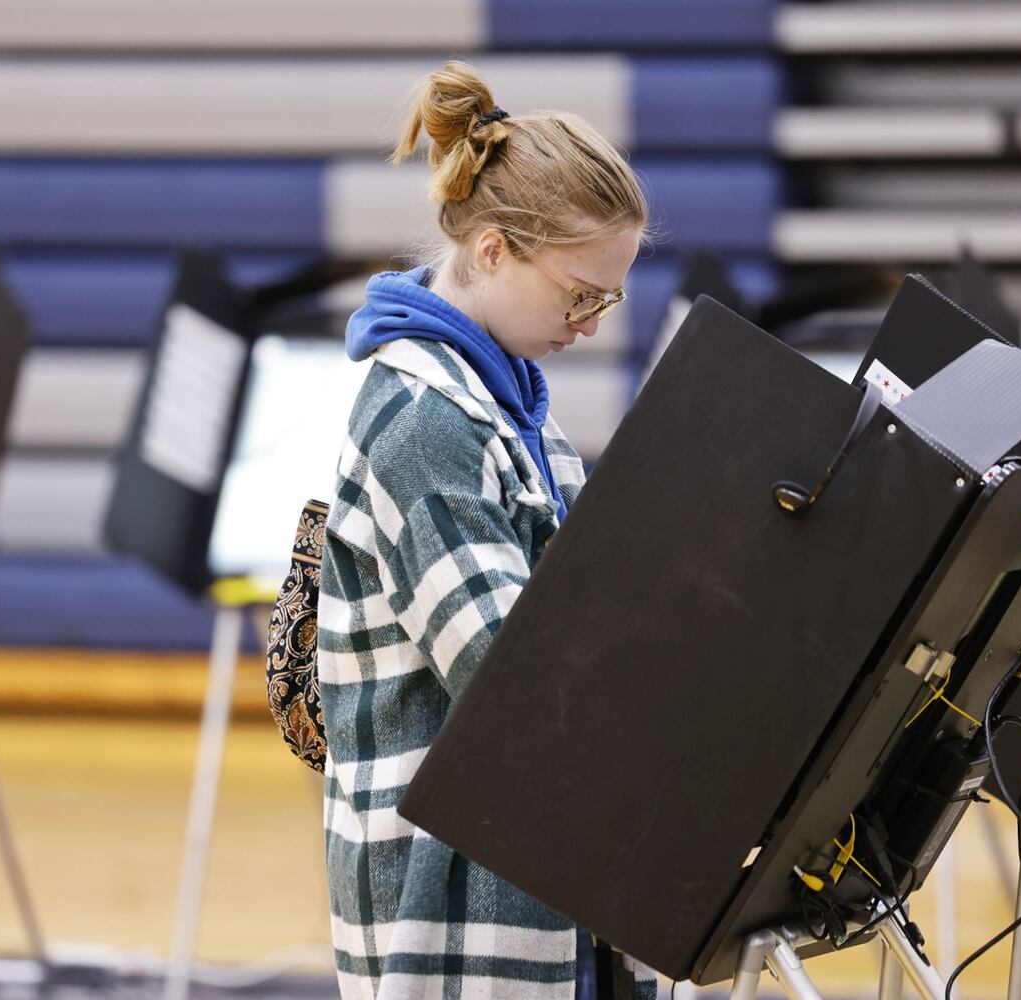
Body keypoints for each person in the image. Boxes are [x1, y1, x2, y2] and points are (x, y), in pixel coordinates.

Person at [317, 61, 656, 999]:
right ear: (497, 250)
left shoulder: (507, 401)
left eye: (608, 299)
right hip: (455, 898)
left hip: (540, 873)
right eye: (581, 293)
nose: (591, 323)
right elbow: (514, 681)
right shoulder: (426, 424)